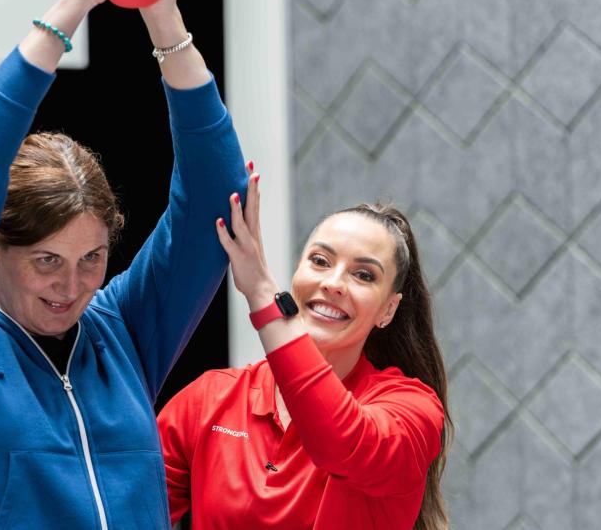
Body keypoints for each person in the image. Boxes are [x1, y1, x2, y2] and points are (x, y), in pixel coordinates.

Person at [0, 0, 247, 527]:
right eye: (47, 261)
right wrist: (73, 6)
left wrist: (165, 19)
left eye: (91, 259)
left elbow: (218, 208)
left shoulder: (120, 332)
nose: (72, 287)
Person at [157, 175, 452, 529]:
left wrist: (263, 296)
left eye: (363, 275)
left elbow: (340, 441)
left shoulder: (413, 409)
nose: (333, 283)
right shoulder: (209, 399)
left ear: (388, 310)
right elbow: (121, 504)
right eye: (320, 261)